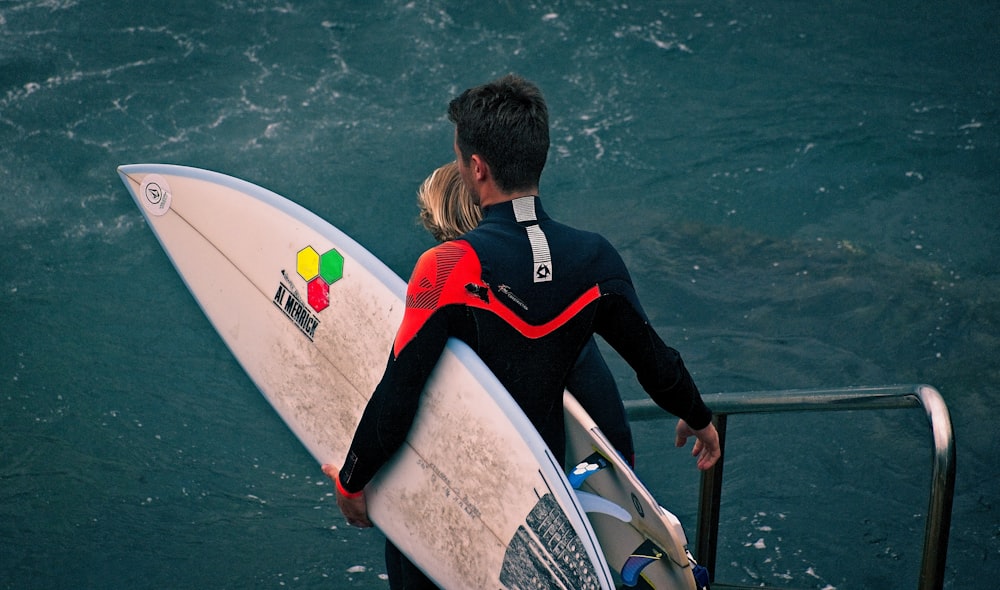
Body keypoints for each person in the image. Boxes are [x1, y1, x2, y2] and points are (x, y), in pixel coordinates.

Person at [324, 74, 721, 589]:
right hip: (541, 519)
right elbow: (654, 361)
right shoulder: (594, 257)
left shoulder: (448, 266)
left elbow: (397, 395)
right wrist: (698, 416)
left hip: (449, 499)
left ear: (476, 167)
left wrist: (353, 479)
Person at [416, 160, 636, 465]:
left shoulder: (441, 303)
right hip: (549, 468)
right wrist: (624, 463)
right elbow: (604, 409)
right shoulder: (542, 297)